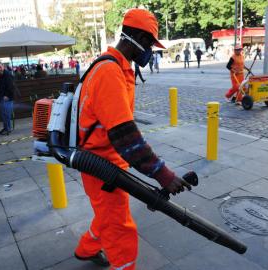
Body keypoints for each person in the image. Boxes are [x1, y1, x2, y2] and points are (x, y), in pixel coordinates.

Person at [74, 8, 191, 269]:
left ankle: (86, 249)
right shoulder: (110, 72)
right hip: (101, 164)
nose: (150, 50)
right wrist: (163, 175)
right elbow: (126, 137)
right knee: (120, 228)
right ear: (136, 36)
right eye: (149, 42)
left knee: (107, 213)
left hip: (104, 161)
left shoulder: (115, 66)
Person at [0, 64, 14, 135]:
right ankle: (5, 128)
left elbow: (11, 86)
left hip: (7, 98)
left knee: (6, 114)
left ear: (3, 67)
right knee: (3, 114)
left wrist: (7, 95)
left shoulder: (7, 74)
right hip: (1, 98)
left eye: (0, 67)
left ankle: (8, 129)